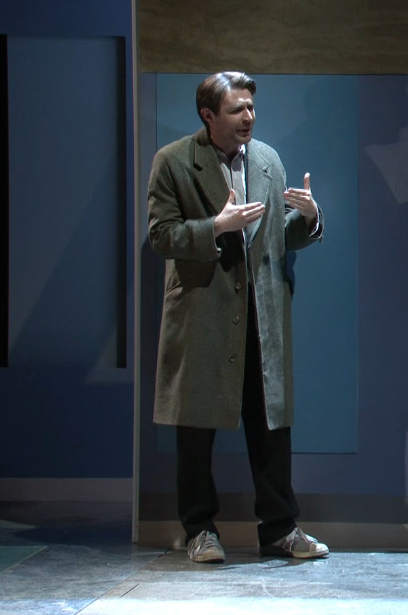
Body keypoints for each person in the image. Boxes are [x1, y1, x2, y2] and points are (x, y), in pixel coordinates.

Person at [147, 71, 329, 563]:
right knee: (194, 428)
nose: (248, 117)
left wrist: (309, 218)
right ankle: (199, 531)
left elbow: (273, 237)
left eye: (251, 107)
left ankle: (280, 528)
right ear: (209, 115)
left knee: (271, 427)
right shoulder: (174, 161)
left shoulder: (267, 159)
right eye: (236, 110)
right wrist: (215, 226)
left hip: (261, 314)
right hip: (203, 312)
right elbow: (161, 235)